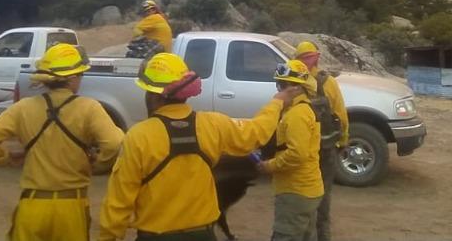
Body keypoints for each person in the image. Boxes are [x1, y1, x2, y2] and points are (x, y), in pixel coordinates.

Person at [99, 52, 299, 241]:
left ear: (152, 94)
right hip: (202, 235)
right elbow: (257, 132)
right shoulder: (212, 125)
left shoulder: (138, 137)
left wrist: (109, 236)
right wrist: (277, 102)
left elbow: (118, 203)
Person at [0, 44, 125, 241]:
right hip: (72, 207)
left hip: (32, 206)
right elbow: (114, 143)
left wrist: (6, 158)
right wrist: (97, 165)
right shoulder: (89, 108)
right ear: (72, 79)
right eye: (80, 75)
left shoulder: (23, 108)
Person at [258, 59, 324, 241]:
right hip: (307, 189)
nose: (278, 90)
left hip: (296, 191)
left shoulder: (297, 114)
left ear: (293, 88)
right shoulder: (302, 109)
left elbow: (297, 154)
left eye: (280, 85)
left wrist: (269, 166)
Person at [292, 41, 348, 241]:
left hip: (304, 152)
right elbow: (341, 116)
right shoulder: (329, 82)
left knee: (303, 201)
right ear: (317, 58)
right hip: (326, 150)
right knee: (323, 202)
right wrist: (342, 142)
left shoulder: (294, 81)